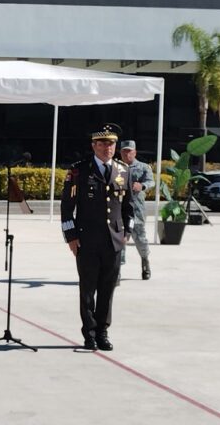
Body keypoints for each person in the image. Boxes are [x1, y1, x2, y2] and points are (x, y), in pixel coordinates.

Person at [60, 123, 134, 351]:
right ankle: (89, 334)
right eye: (102, 143)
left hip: (114, 240)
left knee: (107, 289)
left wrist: (127, 233)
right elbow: (66, 208)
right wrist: (71, 237)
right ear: (93, 145)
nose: (107, 148)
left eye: (111, 143)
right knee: (87, 289)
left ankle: (103, 332)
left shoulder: (123, 171)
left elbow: (129, 207)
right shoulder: (79, 171)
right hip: (87, 240)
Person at [119, 140, 155, 280]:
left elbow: (151, 181)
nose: (126, 154)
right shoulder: (116, 167)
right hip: (119, 209)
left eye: (129, 151)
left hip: (136, 210)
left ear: (135, 152)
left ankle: (145, 261)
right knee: (120, 239)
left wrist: (142, 186)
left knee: (140, 239)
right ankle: (117, 268)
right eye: (124, 151)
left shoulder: (143, 167)